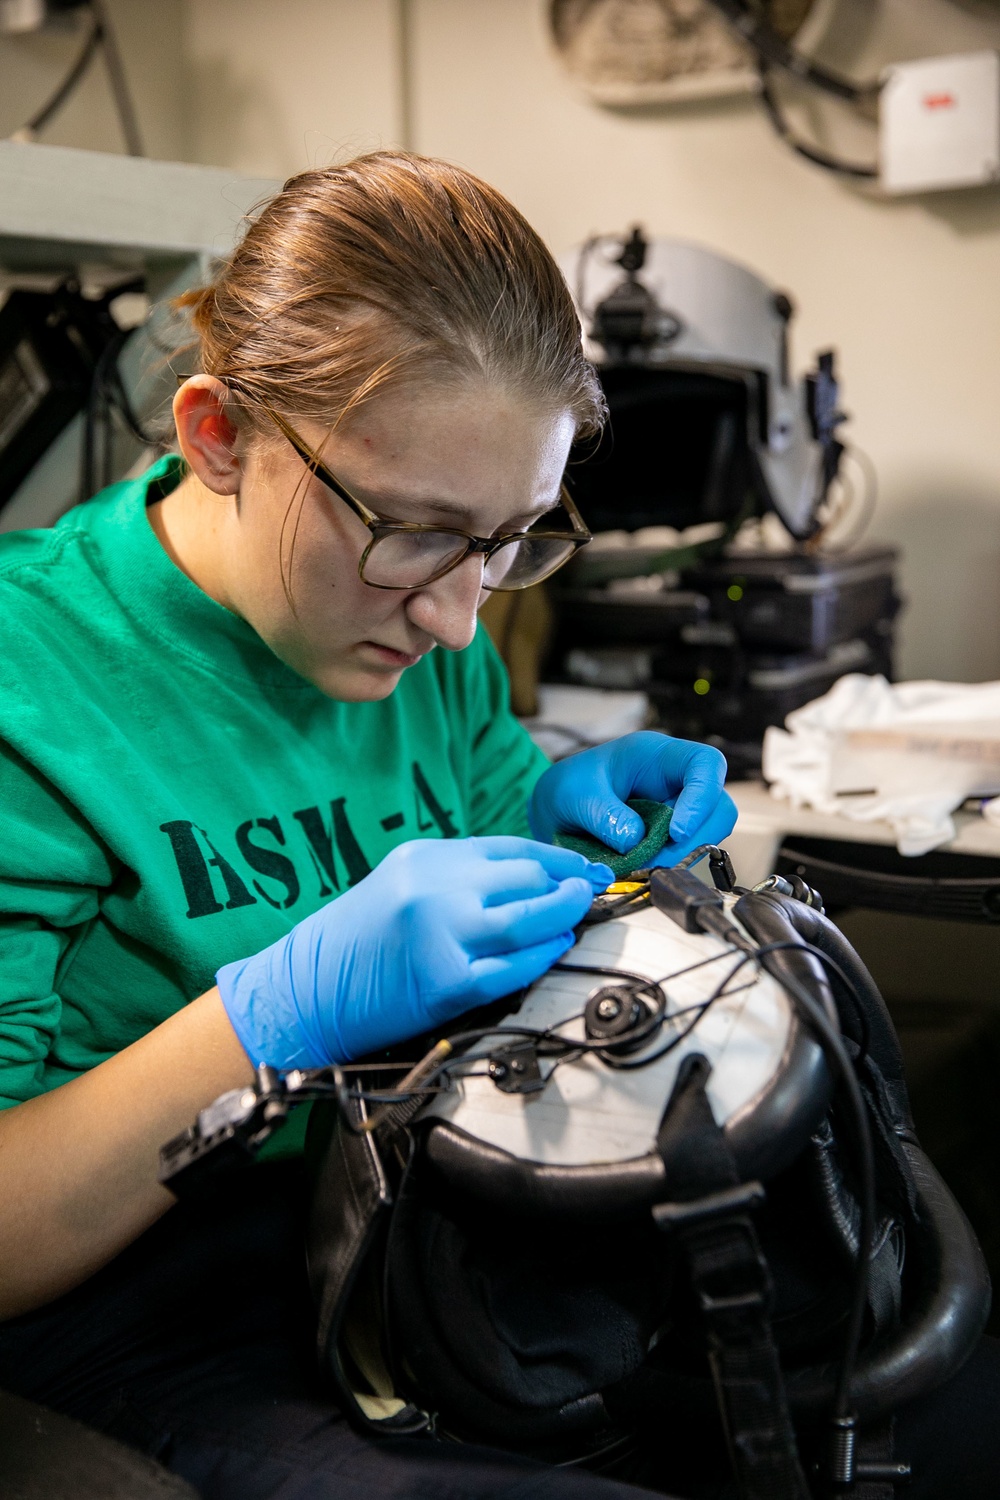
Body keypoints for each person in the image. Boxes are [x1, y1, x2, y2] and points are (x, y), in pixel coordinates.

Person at [0, 150, 994, 1500]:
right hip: (157, 1304)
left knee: (923, 1399)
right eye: (412, 532)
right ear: (217, 434)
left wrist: (564, 832)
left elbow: (488, 897)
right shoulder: (29, 678)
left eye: (514, 537)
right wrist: (265, 1020)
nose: (464, 619)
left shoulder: (430, 628)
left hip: (440, 1220)